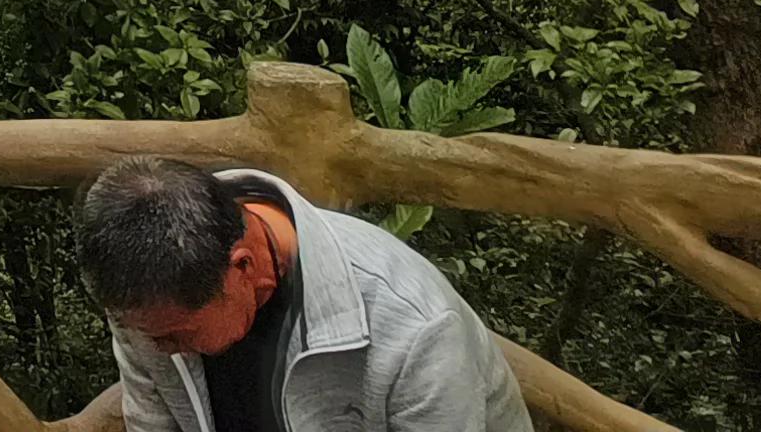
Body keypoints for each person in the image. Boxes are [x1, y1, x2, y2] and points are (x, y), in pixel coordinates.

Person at [78, 160, 531, 432]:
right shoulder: (149, 304)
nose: (156, 349)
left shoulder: (416, 327)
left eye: (176, 336)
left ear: (243, 269)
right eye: (138, 333)